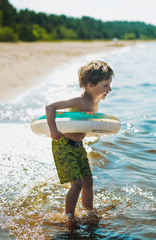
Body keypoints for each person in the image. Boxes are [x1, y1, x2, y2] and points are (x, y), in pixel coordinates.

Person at [45, 60, 114, 229]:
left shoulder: (96, 103)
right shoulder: (79, 101)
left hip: (78, 146)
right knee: (77, 184)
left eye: (109, 85)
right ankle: (69, 216)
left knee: (88, 181)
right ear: (90, 85)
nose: (109, 89)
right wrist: (53, 130)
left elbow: (87, 123)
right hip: (64, 145)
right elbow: (51, 107)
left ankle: (89, 211)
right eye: (105, 85)